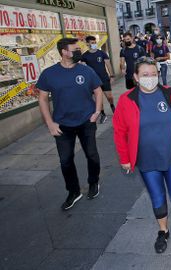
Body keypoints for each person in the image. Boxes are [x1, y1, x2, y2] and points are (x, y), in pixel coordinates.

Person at [113, 57, 171, 254]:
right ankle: (163, 230)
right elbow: (119, 132)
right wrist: (124, 158)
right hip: (146, 160)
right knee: (157, 198)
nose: (150, 78)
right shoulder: (126, 100)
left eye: (154, 74)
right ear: (136, 77)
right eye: (145, 75)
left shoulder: (170, 93)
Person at [36, 38, 103, 210]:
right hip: (62, 125)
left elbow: (98, 90)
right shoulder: (49, 73)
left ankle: (94, 182)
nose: (79, 51)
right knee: (65, 160)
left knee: (92, 155)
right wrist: (49, 123)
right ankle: (74, 191)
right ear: (64, 52)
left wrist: (96, 112)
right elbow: (42, 99)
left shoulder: (86, 70)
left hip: (86, 121)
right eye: (75, 49)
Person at [82, 35, 116, 123]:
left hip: (104, 78)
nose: (94, 44)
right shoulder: (85, 56)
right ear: (87, 44)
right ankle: (103, 114)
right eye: (92, 43)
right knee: (98, 98)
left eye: (95, 42)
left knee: (109, 96)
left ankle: (112, 106)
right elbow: (84, 69)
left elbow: (108, 65)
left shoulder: (102, 53)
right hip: (93, 81)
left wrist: (111, 76)